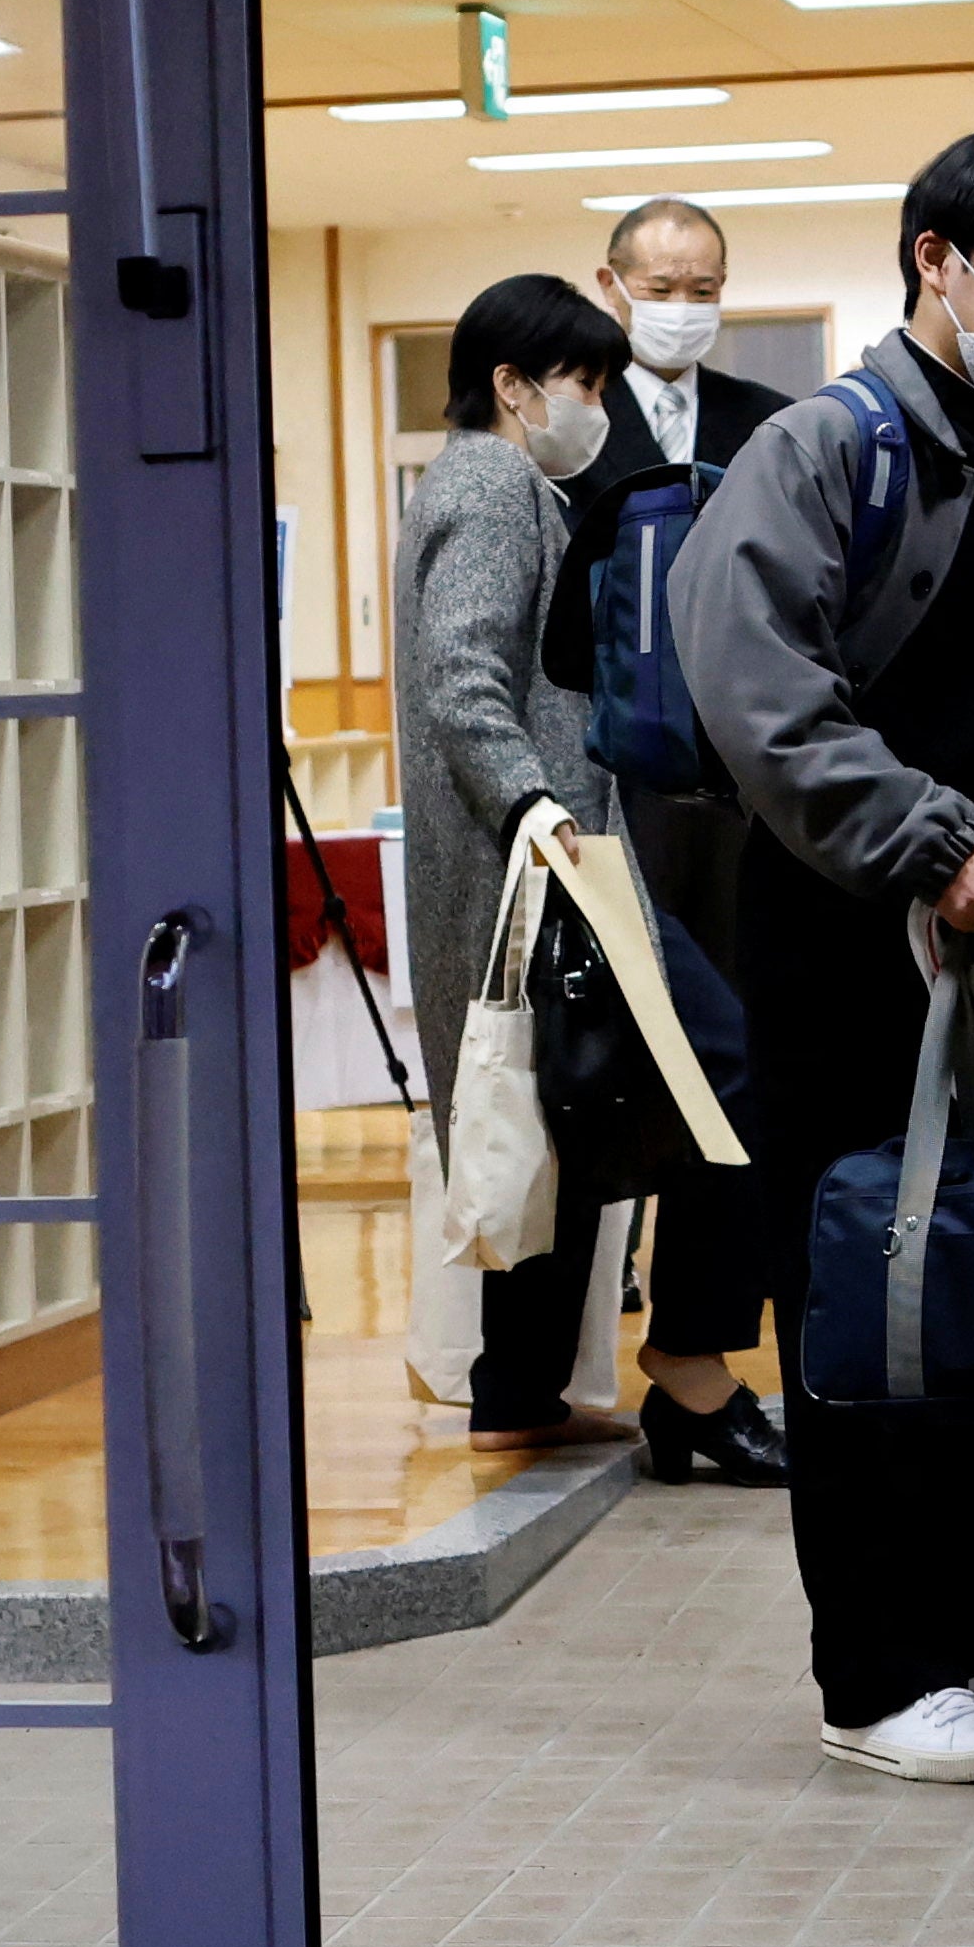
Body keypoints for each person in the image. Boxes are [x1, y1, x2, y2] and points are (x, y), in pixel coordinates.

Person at [674, 129, 974, 1784]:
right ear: (941, 259)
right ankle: (871, 1674)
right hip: (837, 947)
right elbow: (760, 697)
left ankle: (969, 1623)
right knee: (864, 1299)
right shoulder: (826, 449)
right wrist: (931, 843)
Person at [397, 271, 751, 1458]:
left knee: (560, 1112)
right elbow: (462, 675)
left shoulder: (497, 484)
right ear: (513, 385)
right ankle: (691, 1364)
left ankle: (520, 1395)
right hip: (545, 862)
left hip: (534, 863)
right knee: (723, 1074)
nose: (596, 405)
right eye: (584, 382)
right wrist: (536, 805)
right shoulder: (495, 482)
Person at [557, 194, 798, 1484]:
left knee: (736, 1074)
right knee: (603, 1073)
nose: (684, 300)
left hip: (742, 798)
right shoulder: (567, 425)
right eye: (661, 280)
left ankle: (699, 1360)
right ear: (613, 283)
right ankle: (540, 1372)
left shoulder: (768, 423)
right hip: (605, 802)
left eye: (704, 281)